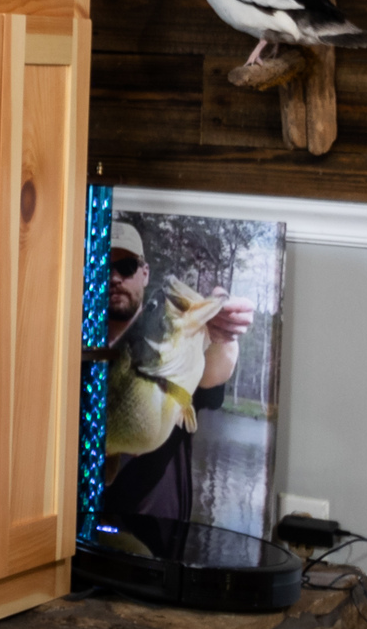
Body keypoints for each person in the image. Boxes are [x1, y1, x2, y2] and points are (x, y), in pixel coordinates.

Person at [101, 217, 253, 522]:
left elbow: (216, 369)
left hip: (158, 536)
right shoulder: (71, 348)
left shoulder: (180, 352)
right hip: (80, 531)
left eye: (127, 266)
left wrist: (223, 334)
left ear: (144, 273)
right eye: (106, 267)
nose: (116, 277)